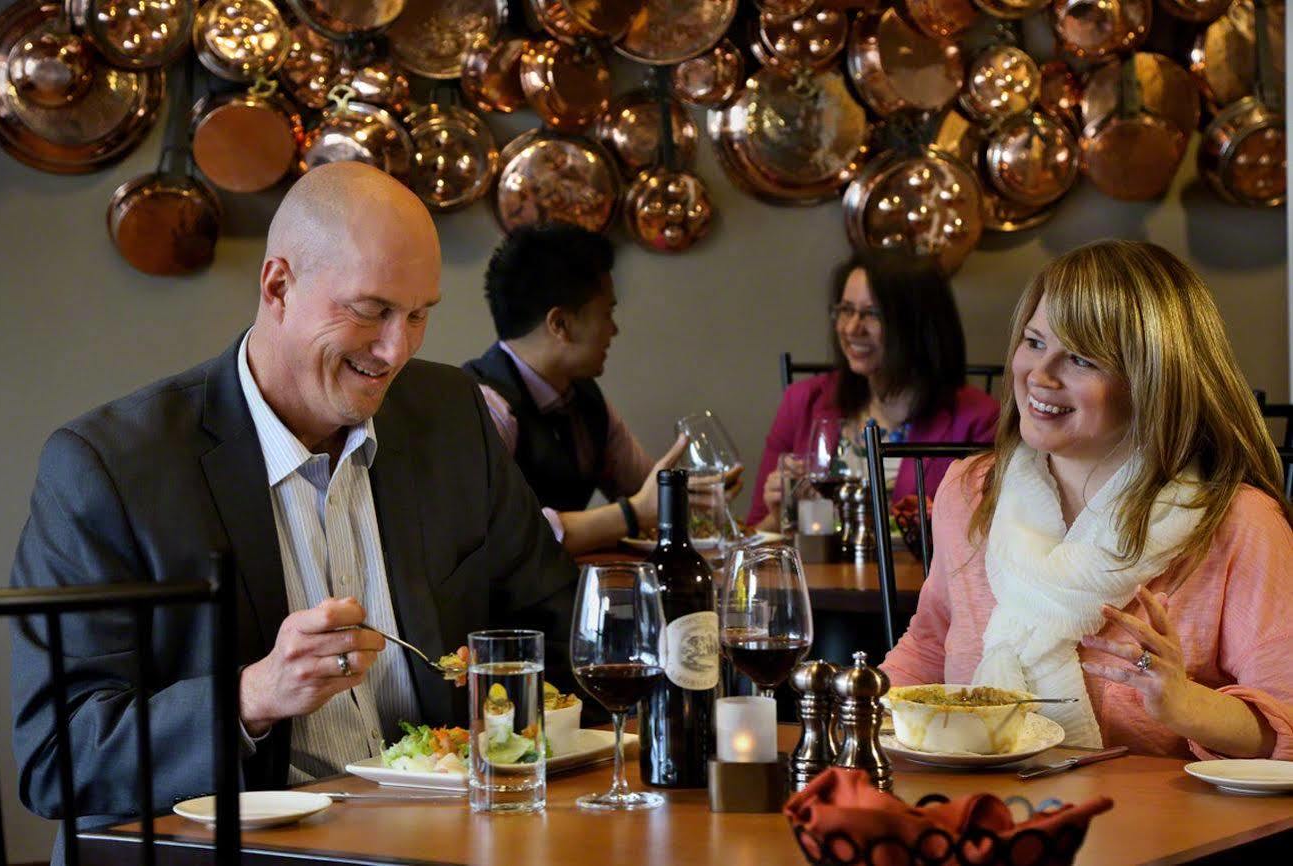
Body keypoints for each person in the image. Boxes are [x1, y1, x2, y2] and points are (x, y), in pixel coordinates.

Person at [11, 164, 579, 856]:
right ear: (278, 286)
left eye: (419, 313)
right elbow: (58, 762)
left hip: (444, 839)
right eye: (370, 310)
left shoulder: (450, 415)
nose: (396, 350)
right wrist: (254, 695)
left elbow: (556, 632)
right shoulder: (109, 468)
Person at [882, 240, 1293, 760]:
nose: (1040, 374)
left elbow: (1287, 725)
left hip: (1160, 830)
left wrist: (1185, 705)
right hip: (981, 806)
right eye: (1034, 342)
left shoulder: (1236, 522)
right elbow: (930, 646)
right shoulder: (971, 491)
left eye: (1079, 358)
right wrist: (854, 711)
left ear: (1152, 379)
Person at [465, 224, 715, 555]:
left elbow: (644, 488)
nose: (614, 329)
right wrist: (633, 514)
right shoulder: (486, 406)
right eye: (607, 312)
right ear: (560, 324)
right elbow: (494, 538)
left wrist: (695, 493)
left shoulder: (584, 397)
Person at [749, 254, 998, 530]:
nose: (852, 328)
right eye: (846, 309)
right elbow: (755, 532)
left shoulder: (979, 420)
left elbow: (984, 544)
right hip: (818, 571)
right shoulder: (803, 401)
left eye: (872, 314)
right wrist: (781, 515)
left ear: (919, 325)